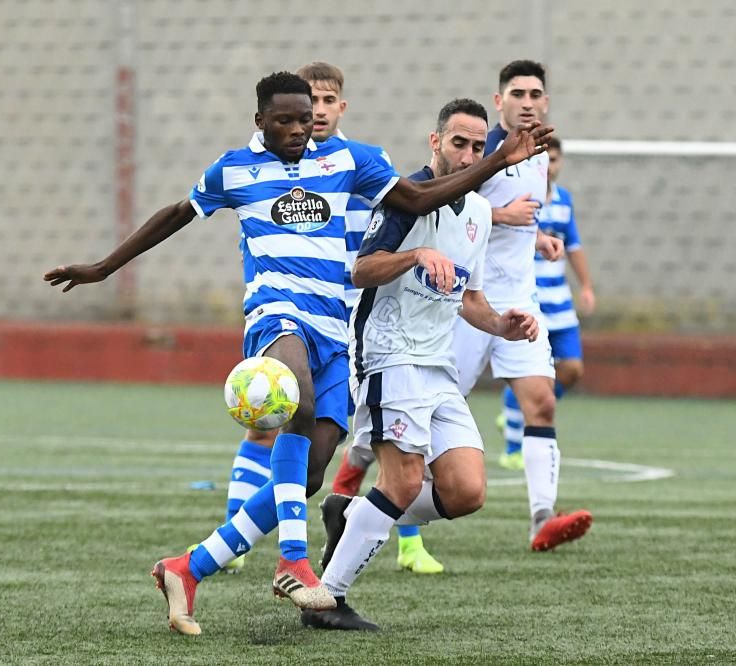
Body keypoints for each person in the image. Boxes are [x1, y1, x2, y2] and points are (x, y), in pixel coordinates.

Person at [44, 71, 551, 635]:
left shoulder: (349, 160)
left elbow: (422, 195)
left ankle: (187, 567)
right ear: (259, 120)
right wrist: (103, 268)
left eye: (304, 120)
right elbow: (177, 213)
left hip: (334, 329)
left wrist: (497, 162)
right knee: (296, 401)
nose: (295, 130)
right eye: (283, 120)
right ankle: (293, 561)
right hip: (276, 315)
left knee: (310, 472)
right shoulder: (234, 168)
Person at [303, 97, 539, 630]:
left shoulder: (479, 213)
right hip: (389, 355)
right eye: (459, 143)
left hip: (439, 365)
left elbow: (470, 299)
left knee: (466, 491)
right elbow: (362, 270)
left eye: (479, 146)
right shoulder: (405, 198)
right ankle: (326, 601)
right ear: (435, 142)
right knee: (405, 481)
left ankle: (354, 513)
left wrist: (505, 325)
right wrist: (413, 255)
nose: (468, 154)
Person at [216, 62, 442, 576]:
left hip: (349, 314)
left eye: (324, 101)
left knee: (373, 437)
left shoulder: (361, 162)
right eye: (306, 102)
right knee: (271, 414)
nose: (313, 113)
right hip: (286, 308)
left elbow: (396, 221)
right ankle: (255, 542)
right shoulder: (259, 168)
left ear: (340, 107)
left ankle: (402, 539)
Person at [450, 59, 592, 550]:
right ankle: (356, 487)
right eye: (517, 94)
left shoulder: (540, 152)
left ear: (545, 102)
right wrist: (502, 214)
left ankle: (541, 519)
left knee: (543, 402)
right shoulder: (481, 147)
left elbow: (515, 226)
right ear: (498, 101)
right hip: (469, 300)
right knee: (435, 405)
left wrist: (539, 241)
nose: (526, 102)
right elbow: (444, 201)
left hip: (520, 300)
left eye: (535, 94)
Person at [498, 135, 595, 471]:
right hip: (531, 300)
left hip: (560, 301)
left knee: (572, 369)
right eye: (545, 160)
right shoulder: (522, 198)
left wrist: (586, 286)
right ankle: (513, 446)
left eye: (555, 160)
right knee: (527, 371)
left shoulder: (564, 200)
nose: (550, 166)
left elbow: (574, 245)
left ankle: (521, 408)